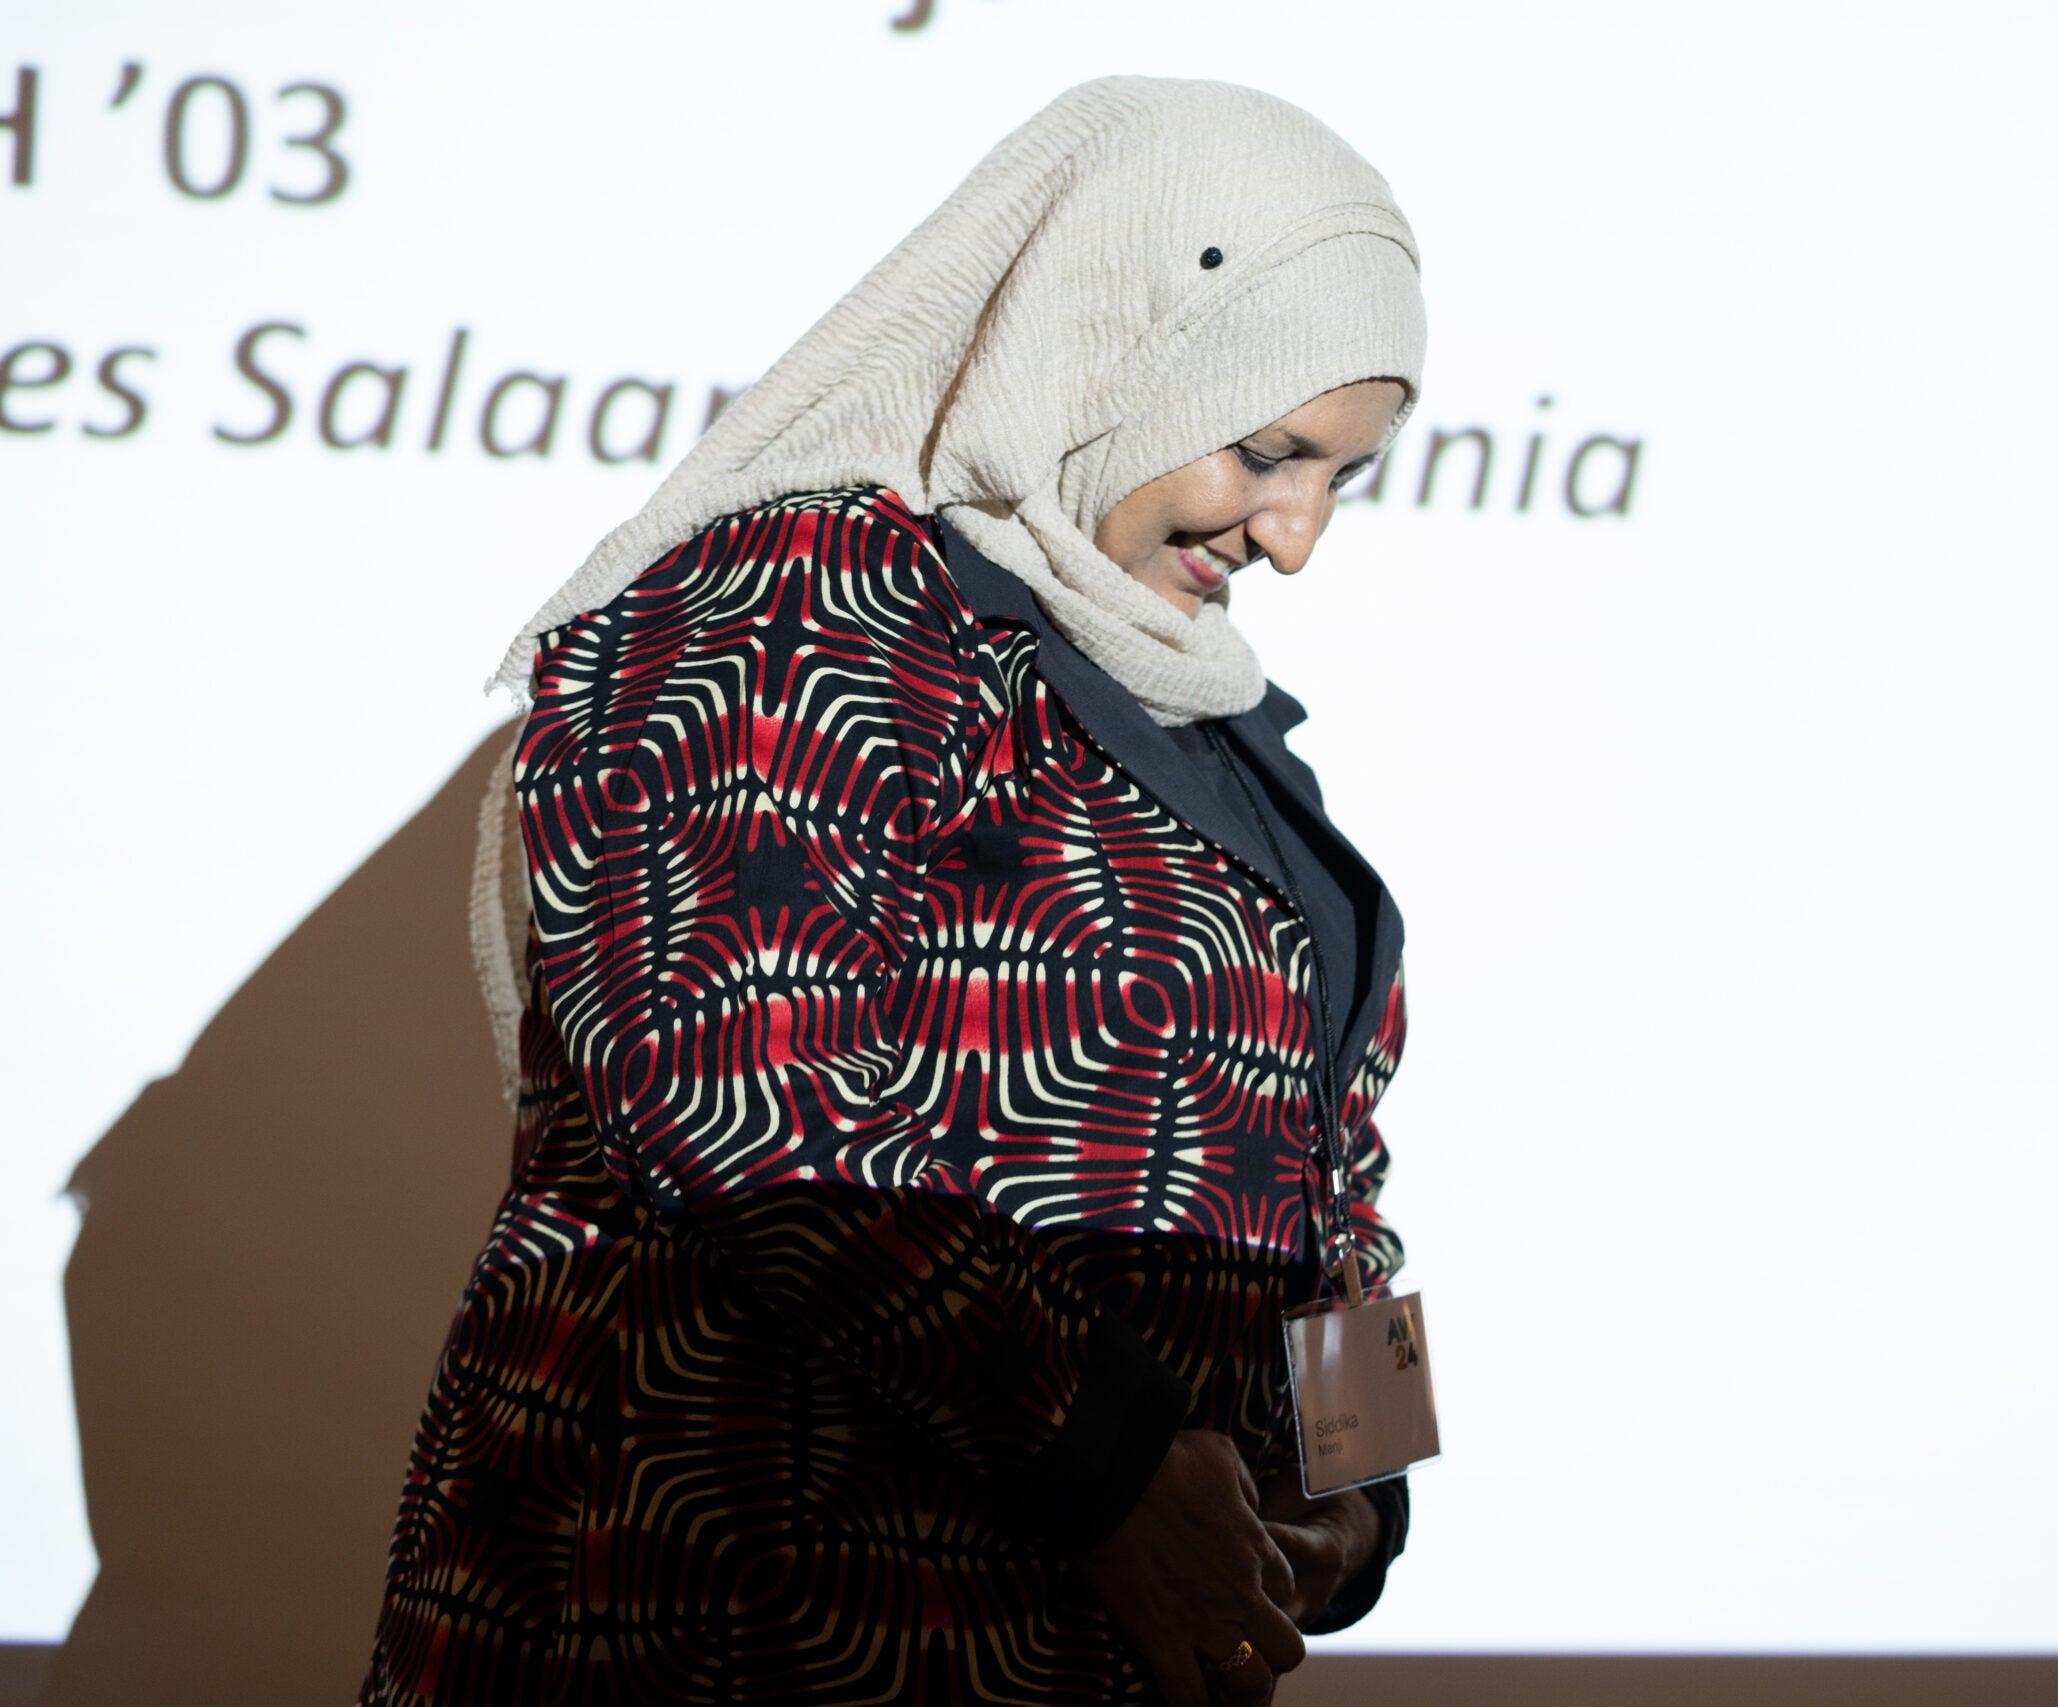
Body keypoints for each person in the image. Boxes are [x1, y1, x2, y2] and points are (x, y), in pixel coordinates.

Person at [362, 76, 1426, 1707]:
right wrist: (1113, 1459)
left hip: (1089, 1643)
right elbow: (735, 1086)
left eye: (1341, 476)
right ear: (1119, 334)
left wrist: (1361, 1483)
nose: (1295, 539)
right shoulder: (801, 600)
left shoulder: (1225, 734)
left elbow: (1335, 1175)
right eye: (1269, 449)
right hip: (750, 1622)